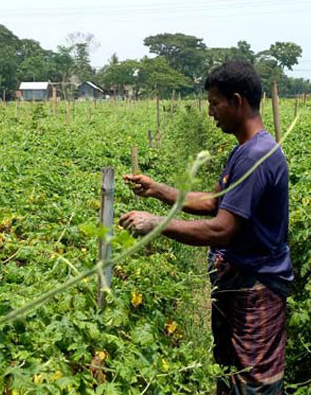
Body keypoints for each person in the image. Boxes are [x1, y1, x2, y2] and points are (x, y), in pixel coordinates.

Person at [119, 60, 293, 394]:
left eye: (215, 103)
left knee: (255, 385)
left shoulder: (257, 157)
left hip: (255, 288)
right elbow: (215, 203)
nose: (210, 112)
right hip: (240, 284)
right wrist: (158, 190)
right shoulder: (245, 150)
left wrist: (156, 224)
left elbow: (221, 229)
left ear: (237, 101)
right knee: (231, 378)